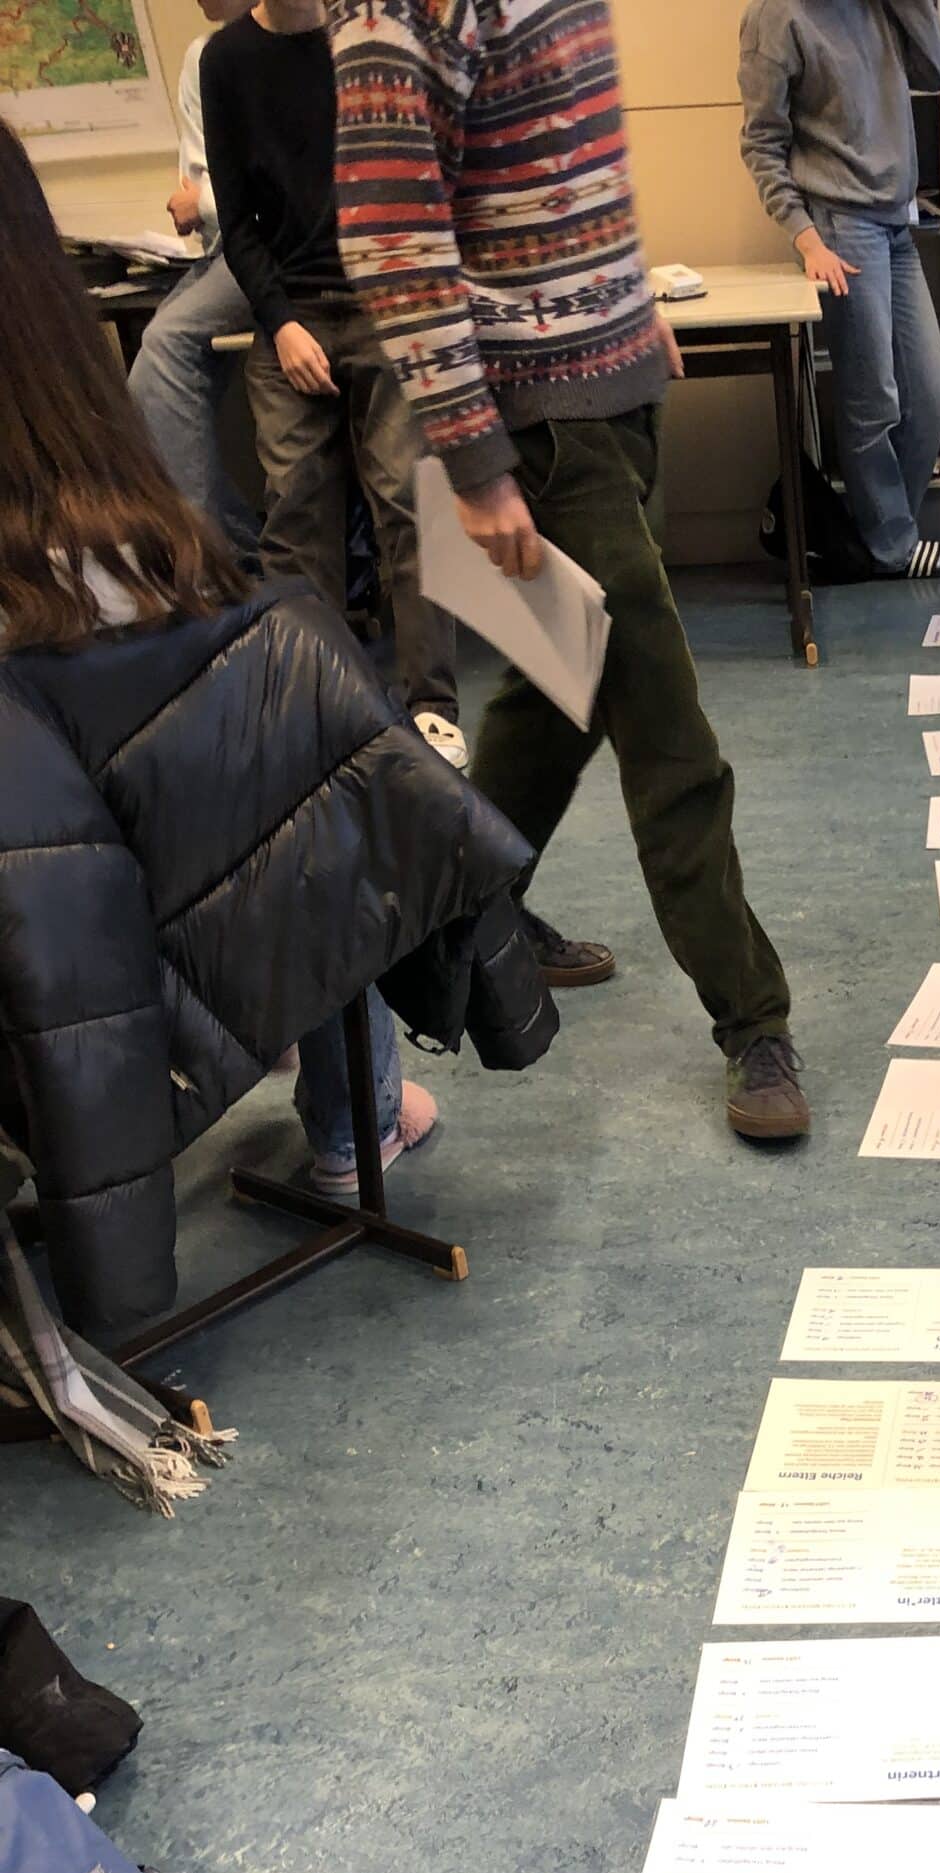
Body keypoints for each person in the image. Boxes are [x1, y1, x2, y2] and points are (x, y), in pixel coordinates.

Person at [330, 0, 810, 1140]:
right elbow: (393, 239)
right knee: (668, 732)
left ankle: (438, 932)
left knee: (559, 701)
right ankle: (753, 1018)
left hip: (616, 392)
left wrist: (632, 305)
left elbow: (568, 156)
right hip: (539, 433)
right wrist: (477, 460)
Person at [0, 117, 461, 1214]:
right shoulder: (99, 505)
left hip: (70, 929)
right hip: (107, 925)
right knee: (305, 745)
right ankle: (351, 1108)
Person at [199, 0, 465, 770]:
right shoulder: (227, 60)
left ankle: (433, 709)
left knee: (409, 499)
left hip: (386, 304)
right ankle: (318, 707)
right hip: (292, 312)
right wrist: (281, 322)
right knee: (295, 508)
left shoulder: (371, 37)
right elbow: (237, 224)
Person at [738, 1, 940, 580]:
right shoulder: (776, 16)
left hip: (896, 219)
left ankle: (883, 538)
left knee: (929, 395)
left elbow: (937, 73)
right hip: (840, 224)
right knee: (872, 399)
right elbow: (761, 143)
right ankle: (891, 546)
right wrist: (806, 237)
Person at [125, 0, 259, 562]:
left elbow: (277, 185)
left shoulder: (300, 42)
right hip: (224, 248)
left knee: (164, 347)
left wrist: (200, 202)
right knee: (147, 380)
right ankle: (236, 549)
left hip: (272, 247)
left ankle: (209, 560)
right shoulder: (203, 56)